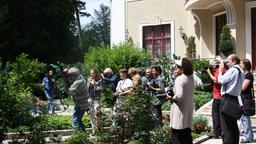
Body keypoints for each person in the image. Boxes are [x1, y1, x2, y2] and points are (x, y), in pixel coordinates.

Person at [218, 54, 244, 144]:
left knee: (226, 127)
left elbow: (220, 80)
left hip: (227, 99)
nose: (227, 63)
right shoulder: (241, 71)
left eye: (228, 61)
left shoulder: (233, 70)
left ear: (234, 61)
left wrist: (220, 72)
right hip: (235, 99)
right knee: (233, 126)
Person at [167, 58, 194, 144]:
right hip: (188, 109)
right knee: (187, 135)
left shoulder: (180, 79)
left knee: (177, 136)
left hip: (180, 110)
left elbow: (179, 95)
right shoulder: (191, 78)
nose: (176, 69)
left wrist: (171, 97)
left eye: (177, 67)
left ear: (182, 69)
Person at [64, 67, 90, 132]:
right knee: (78, 119)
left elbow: (69, 92)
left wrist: (66, 80)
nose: (69, 77)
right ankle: (84, 133)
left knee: (75, 120)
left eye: (70, 75)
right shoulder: (80, 77)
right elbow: (72, 80)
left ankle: (78, 136)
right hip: (82, 103)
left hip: (81, 105)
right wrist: (67, 73)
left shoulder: (78, 82)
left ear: (74, 75)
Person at [239, 59, 255, 143]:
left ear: (246, 65)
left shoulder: (248, 75)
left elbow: (243, 88)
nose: (240, 65)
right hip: (242, 98)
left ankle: (248, 136)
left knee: (245, 118)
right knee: (242, 118)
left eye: (241, 64)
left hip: (246, 99)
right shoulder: (243, 74)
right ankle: (247, 135)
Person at [206, 59, 222, 139]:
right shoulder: (218, 71)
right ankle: (219, 132)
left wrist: (209, 72)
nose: (212, 66)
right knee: (218, 116)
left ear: (216, 65)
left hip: (218, 97)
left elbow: (216, 81)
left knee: (215, 116)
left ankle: (216, 133)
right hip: (219, 96)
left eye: (213, 64)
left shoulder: (219, 71)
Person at [87, 69, 103, 134]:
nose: (92, 74)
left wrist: (95, 85)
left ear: (96, 73)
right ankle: (93, 129)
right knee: (91, 114)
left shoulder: (100, 81)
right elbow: (86, 89)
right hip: (90, 99)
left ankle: (98, 128)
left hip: (97, 99)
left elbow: (101, 89)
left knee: (97, 114)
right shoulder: (88, 80)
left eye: (93, 73)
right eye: (91, 73)